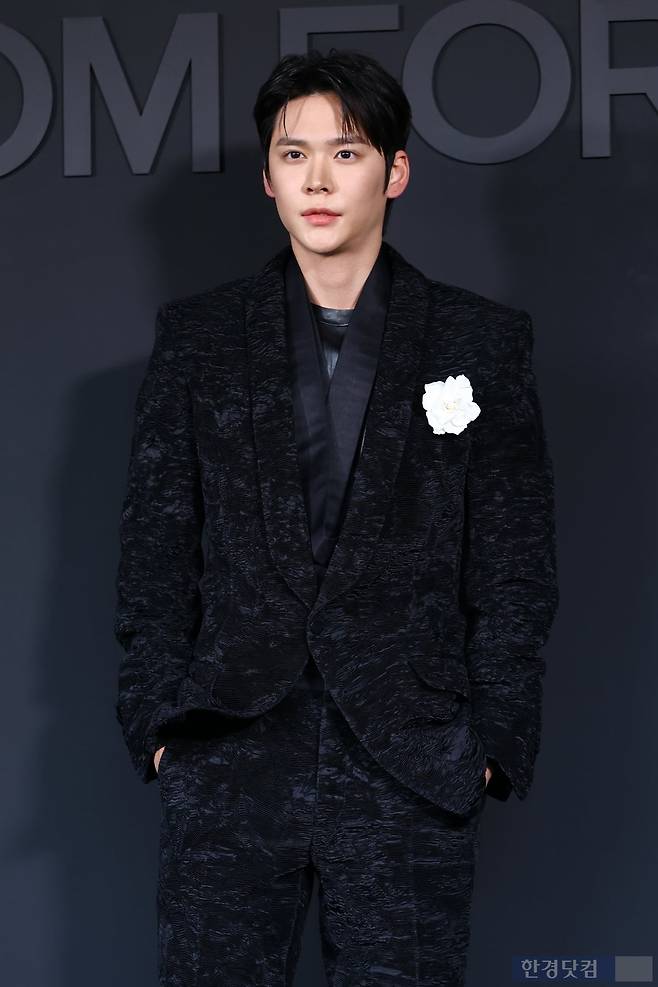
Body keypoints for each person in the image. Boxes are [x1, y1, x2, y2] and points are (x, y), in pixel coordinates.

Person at [114, 48, 559, 987]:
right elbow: (157, 550)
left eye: (346, 153)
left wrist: (491, 742)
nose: (317, 180)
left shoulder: (479, 340)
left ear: (394, 172)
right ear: (267, 177)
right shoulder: (198, 338)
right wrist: (158, 722)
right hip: (230, 753)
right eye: (294, 154)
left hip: (411, 758)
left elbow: (514, 562)